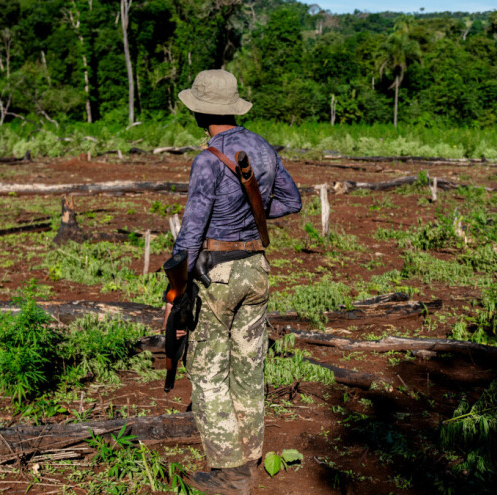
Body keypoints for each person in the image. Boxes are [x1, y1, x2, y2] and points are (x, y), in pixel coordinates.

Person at [167, 69, 302, 495]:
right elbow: (292, 201)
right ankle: (250, 455)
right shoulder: (261, 148)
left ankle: (229, 473)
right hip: (256, 269)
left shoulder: (208, 159)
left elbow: (191, 231)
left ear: (200, 112)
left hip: (217, 273)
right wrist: (249, 218)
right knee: (248, 366)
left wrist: (174, 288)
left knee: (207, 369)